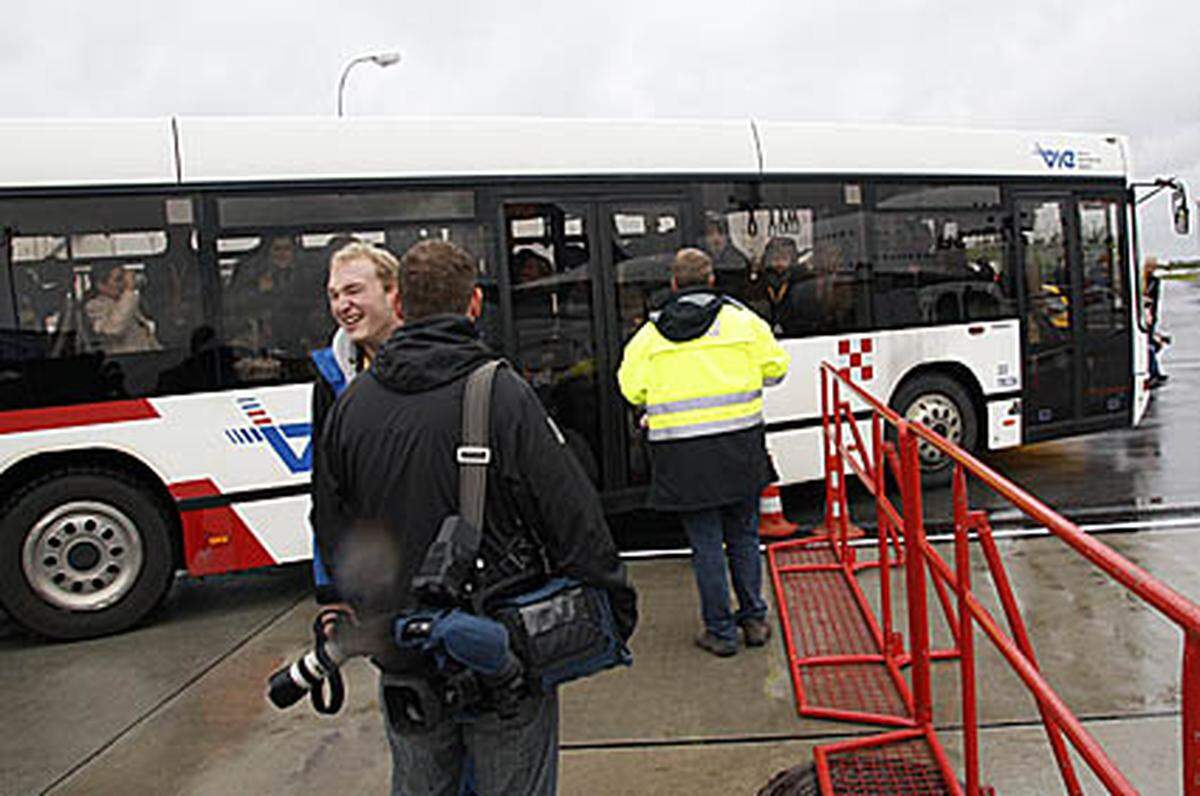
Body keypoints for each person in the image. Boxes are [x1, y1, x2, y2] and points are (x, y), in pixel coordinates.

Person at [312, 239, 637, 795]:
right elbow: (570, 513)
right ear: (475, 304)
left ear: (402, 305)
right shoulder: (501, 393)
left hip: (401, 651)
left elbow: (331, 524)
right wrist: (613, 603)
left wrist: (369, 614)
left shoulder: (352, 404)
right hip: (496, 648)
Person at [618, 248, 789, 657]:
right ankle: (754, 619)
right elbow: (776, 369)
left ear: (674, 284)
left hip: (683, 457)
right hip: (740, 448)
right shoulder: (745, 321)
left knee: (706, 543)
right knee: (745, 535)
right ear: (712, 280)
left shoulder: (650, 334)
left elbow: (631, 388)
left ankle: (720, 632)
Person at [308, 241, 404, 605]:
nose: (341, 305)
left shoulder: (441, 362)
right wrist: (332, 592)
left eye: (353, 290)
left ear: (392, 290)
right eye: (334, 295)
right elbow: (326, 494)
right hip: (379, 582)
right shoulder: (330, 381)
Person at [84, 262, 162, 354]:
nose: (123, 284)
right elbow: (113, 328)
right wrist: (129, 291)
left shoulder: (125, 302)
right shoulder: (94, 307)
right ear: (101, 285)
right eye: (118, 279)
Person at [1144, 257, 1171, 388]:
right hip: (1146, 317)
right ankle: (1155, 372)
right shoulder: (1143, 281)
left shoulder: (1153, 281)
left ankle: (1155, 373)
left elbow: (1151, 299)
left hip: (1149, 317)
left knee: (1149, 346)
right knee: (1149, 345)